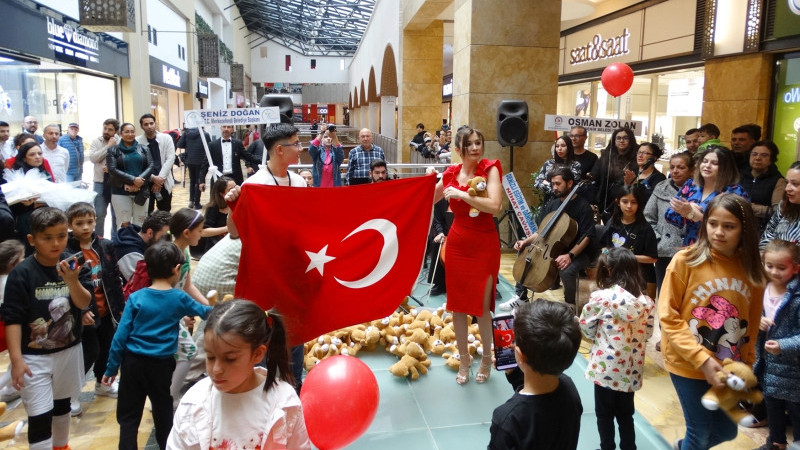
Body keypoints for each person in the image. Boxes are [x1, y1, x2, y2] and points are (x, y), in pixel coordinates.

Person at [659, 194, 765, 450]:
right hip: (687, 361)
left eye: (729, 226)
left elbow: (751, 323)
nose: (719, 232)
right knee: (700, 431)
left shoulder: (752, 270)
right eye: (713, 223)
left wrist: (747, 362)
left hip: (728, 363)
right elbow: (668, 316)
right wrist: (702, 359)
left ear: (744, 229)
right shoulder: (686, 261)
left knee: (727, 431)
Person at [101, 241, 213, 450]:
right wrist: (222, 306)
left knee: (128, 419)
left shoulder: (136, 298)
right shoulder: (179, 298)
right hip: (161, 366)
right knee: (163, 414)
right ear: (177, 269)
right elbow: (205, 311)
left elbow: (120, 337)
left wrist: (111, 368)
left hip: (132, 364)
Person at [0, 207, 92, 450]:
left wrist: (72, 281)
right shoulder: (22, 273)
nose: (56, 243)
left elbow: (84, 303)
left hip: (69, 352)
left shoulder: (75, 263)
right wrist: (17, 360)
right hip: (34, 358)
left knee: (62, 407)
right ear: (32, 240)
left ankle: (61, 445)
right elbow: (12, 319)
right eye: (47, 237)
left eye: (61, 236)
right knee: (40, 416)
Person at [168, 300, 311, 449]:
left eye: (229, 359)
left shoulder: (285, 403)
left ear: (257, 354)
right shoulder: (193, 403)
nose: (216, 369)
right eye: (210, 357)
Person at [432, 127, 502, 385]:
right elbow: (429, 197)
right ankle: (464, 358)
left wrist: (462, 194)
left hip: (484, 244)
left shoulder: (491, 168)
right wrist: (426, 181)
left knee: (482, 308)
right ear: (458, 149)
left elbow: (495, 206)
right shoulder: (451, 173)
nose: (475, 148)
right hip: (458, 244)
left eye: (478, 142)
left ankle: (486, 359)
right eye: (469, 144)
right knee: (457, 306)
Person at [579, 247, 654, 450]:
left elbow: (586, 328)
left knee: (604, 415)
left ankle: (607, 447)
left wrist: (599, 338)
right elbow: (647, 334)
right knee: (626, 414)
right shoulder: (647, 302)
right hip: (631, 369)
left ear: (610, 270)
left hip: (605, 370)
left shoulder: (601, 297)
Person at [488, 299, 582, 450]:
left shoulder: (507, 418)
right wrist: (514, 373)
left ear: (518, 353)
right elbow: (540, 401)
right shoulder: (569, 388)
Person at [65, 202, 125, 414]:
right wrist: (80, 311)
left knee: (107, 349)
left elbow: (114, 279)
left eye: (89, 222)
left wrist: (120, 308)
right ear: (70, 225)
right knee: (88, 352)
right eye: (79, 223)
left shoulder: (106, 245)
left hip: (106, 310)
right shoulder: (67, 252)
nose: (85, 227)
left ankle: (103, 383)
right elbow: (65, 287)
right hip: (85, 314)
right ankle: (69, 394)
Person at [511, 167, 596, 313]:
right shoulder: (553, 204)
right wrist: (525, 242)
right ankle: (521, 298)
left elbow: (586, 237)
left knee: (566, 270)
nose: (554, 187)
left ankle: (570, 305)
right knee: (526, 254)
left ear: (570, 183)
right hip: (554, 248)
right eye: (553, 184)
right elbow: (541, 232)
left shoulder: (583, 207)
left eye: (558, 184)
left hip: (579, 251)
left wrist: (570, 255)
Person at [753, 239, 800, 450]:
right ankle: (776, 442)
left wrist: (783, 345)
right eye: (769, 265)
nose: (774, 271)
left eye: (782, 267)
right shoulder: (759, 288)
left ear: (795, 267)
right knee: (772, 403)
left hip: (793, 368)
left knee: (796, 409)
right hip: (766, 363)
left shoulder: (797, 297)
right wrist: (755, 321)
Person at [167, 209, 213, 408]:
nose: (201, 234)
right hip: (166, 314)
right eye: (199, 231)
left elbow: (187, 285)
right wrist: (180, 314)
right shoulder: (170, 255)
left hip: (173, 313)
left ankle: (169, 394)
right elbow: (166, 291)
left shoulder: (184, 251)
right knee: (187, 351)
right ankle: (169, 396)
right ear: (186, 233)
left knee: (185, 352)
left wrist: (209, 307)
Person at [665, 145, 747, 246]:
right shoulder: (691, 184)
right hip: (691, 245)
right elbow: (670, 216)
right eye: (704, 161)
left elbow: (738, 225)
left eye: (714, 163)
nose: (707, 166)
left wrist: (695, 215)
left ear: (726, 167)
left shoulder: (735, 191)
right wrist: (685, 210)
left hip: (719, 246)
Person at [644, 151, 695, 293]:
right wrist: (658, 238)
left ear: (691, 170)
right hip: (665, 248)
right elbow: (648, 217)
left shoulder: (699, 190)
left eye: (681, 167)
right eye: (672, 167)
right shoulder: (661, 187)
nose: (675, 171)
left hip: (691, 249)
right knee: (665, 292)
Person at [599, 184, 658, 298]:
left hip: (640, 277)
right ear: (618, 202)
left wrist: (625, 257)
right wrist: (607, 256)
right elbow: (604, 247)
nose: (629, 206)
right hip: (615, 274)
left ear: (639, 204)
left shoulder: (645, 228)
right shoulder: (612, 223)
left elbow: (653, 258)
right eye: (625, 202)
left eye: (634, 202)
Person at [107, 123, 154, 228]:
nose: (130, 134)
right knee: (124, 224)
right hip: (120, 191)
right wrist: (133, 180)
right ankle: (124, 244)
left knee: (141, 223)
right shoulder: (113, 150)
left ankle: (138, 244)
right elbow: (112, 169)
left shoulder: (144, 148)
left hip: (141, 190)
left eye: (132, 131)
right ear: (120, 133)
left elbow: (150, 166)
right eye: (127, 131)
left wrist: (139, 181)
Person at [590, 127, 638, 222]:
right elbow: (594, 178)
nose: (622, 140)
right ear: (614, 141)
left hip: (628, 203)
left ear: (631, 140)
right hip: (606, 202)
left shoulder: (636, 158)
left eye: (625, 138)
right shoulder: (605, 157)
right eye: (618, 138)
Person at [113, 210, 171, 282]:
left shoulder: (136, 234)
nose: (167, 242)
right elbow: (144, 285)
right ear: (149, 233)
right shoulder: (131, 253)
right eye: (164, 237)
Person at [740, 140, 786, 232]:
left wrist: (749, 207)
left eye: (764, 155)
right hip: (738, 225)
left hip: (762, 229)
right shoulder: (740, 176)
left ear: (771, 160)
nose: (758, 158)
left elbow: (778, 212)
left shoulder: (778, 180)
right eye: (754, 154)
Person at [0, 239, 25, 403]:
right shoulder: (12, 281)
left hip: (4, 324)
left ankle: (10, 389)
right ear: (13, 263)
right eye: (22, 258)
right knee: (20, 358)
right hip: (7, 326)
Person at [137, 114, 176, 214]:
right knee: (146, 212)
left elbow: (170, 159)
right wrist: (153, 178)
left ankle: (164, 230)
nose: (149, 126)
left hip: (164, 180)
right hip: (145, 182)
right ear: (142, 126)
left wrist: (159, 180)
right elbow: (139, 163)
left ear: (155, 123)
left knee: (164, 212)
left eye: (151, 123)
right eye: (146, 124)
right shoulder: (137, 141)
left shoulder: (166, 138)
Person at [88, 119, 120, 236]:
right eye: (105, 128)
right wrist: (108, 146)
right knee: (99, 214)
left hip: (116, 183)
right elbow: (93, 158)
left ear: (116, 131)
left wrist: (112, 168)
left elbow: (123, 161)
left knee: (116, 215)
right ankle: (99, 241)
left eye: (110, 129)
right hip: (100, 183)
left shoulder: (121, 142)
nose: (106, 131)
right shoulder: (97, 141)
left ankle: (115, 242)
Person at [191, 176, 234, 258]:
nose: (235, 191)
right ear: (221, 194)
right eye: (230, 189)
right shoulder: (213, 208)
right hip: (216, 247)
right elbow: (203, 231)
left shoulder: (239, 204)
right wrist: (228, 228)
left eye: (236, 187)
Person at [761, 161, 800, 250]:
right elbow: (768, 234)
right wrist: (764, 257)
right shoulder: (784, 205)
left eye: (795, 184)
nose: (787, 188)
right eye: (787, 183)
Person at [533, 135, 582, 204]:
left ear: (569, 147)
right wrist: (558, 188)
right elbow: (537, 182)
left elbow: (572, 187)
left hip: (566, 203)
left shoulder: (575, 165)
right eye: (557, 146)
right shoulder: (548, 163)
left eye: (563, 146)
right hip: (548, 202)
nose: (559, 149)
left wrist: (547, 183)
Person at [176, 127, 212, 209]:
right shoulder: (205, 134)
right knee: (199, 181)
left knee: (192, 181)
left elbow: (179, 144)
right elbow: (210, 146)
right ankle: (197, 203)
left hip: (190, 160)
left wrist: (189, 145)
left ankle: (191, 201)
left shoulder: (186, 133)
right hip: (201, 160)